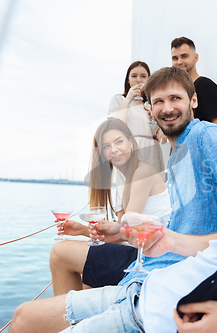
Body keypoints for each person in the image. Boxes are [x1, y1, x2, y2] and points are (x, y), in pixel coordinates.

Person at [9, 67, 217, 332]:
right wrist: (121, 232)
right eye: (159, 101)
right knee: (24, 315)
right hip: (147, 279)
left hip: (165, 290)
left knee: (31, 314)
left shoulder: (205, 135)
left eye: (175, 98)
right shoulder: (175, 158)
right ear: (150, 110)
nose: (167, 108)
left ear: (193, 101)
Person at [49, 118, 171, 295]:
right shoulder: (124, 180)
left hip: (154, 258)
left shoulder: (142, 172)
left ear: (130, 141)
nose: (113, 150)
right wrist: (83, 230)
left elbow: (128, 229)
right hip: (142, 252)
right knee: (86, 285)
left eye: (119, 141)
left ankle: (64, 319)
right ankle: (72, 321)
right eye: (106, 146)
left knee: (59, 252)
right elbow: (122, 236)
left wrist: (111, 228)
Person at [171, 37, 217, 129]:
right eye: (175, 58)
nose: (179, 61)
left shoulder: (205, 86)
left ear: (195, 58)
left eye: (184, 56)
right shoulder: (175, 91)